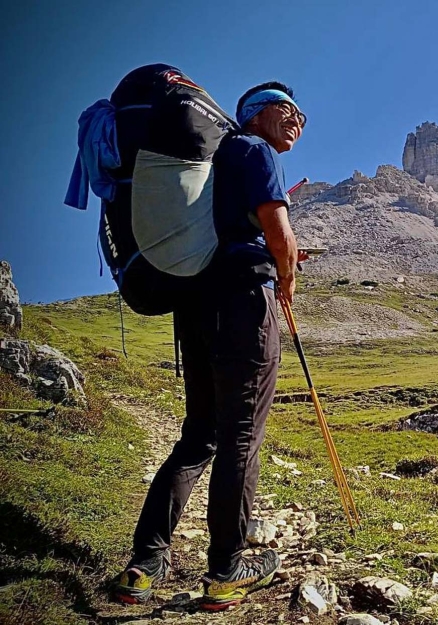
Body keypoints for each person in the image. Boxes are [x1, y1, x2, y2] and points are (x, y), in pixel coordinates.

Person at [112, 82, 307, 610]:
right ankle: (226, 571)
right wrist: (285, 279)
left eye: (302, 117)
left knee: (198, 436)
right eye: (288, 110)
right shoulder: (255, 150)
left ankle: (143, 563)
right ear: (256, 113)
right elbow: (276, 227)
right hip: (243, 305)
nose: (298, 121)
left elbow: (231, 227)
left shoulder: (218, 158)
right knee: (240, 436)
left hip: (194, 307)